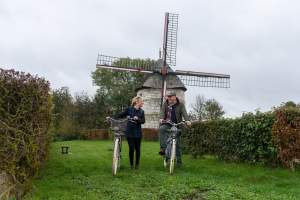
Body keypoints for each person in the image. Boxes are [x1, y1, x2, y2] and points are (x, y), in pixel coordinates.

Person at [158, 92, 191, 165]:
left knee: (178, 144)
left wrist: (187, 120)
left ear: (175, 97)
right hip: (167, 123)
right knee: (161, 129)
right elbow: (162, 112)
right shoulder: (165, 103)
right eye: (168, 97)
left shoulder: (180, 105)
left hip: (177, 125)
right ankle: (163, 149)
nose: (169, 98)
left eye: (170, 97)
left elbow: (184, 113)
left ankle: (179, 161)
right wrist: (161, 118)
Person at [115, 96, 145, 169]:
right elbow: (120, 115)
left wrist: (138, 119)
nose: (143, 103)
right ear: (137, 102)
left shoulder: (142, 111)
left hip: (138, 133)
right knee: (131, 149)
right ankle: (131, 165)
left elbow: (143, 121)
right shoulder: (128, 109)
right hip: (130, 132)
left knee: (138, 149)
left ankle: (137, 164)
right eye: (142, 101)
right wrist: (113, 117)